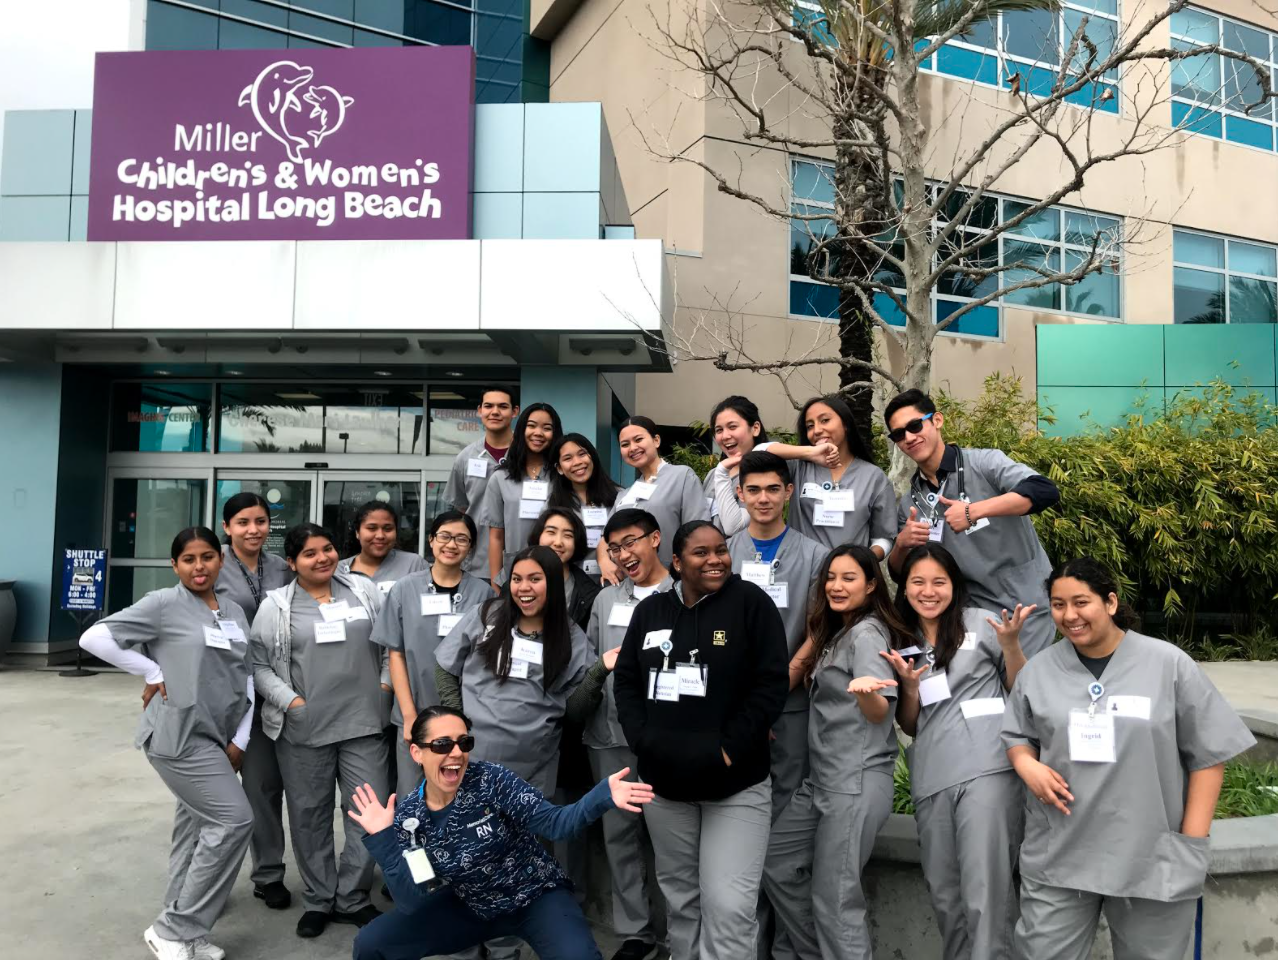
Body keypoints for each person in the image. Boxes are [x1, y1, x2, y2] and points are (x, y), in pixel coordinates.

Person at [1003, 557, 1256, 960]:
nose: (1070, 616)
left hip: (1152, 856)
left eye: (1081, 602)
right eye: (1058, 604)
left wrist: (1190, 841)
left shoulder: (1168, 664)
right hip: (1061, 853)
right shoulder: (1040, 671)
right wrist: (1025, 763)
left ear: (1111, 602)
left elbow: (1208, 755)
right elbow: (1017, 734)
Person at [349, 706, 655, 960]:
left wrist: (602, 795)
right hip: (467, 905)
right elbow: (413, 901)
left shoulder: (491, 780)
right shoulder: (410, 820)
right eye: (442, 744)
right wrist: (385, 839)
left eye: (463, 743)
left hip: (534, 896)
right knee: (371, 943)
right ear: (417, 753)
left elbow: (554, 823)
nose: (456, 753)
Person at [612, 521, 789, 960]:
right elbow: (628, 682)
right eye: (701, 553)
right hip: (665, 787)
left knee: (729, 906)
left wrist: (730, 748)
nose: (715, 560)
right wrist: (643, 740)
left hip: (736, 785)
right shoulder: (650, 611)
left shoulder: (751, 603)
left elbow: (770, 683)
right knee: (682, 900)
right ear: (676, 562)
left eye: (721, 551)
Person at [79, 527, 254, 960]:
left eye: (208, 557)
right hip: (178, 736)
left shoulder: (232, 610)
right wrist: (152, 672)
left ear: (221, 560)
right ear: (175, 565)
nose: (200, 567)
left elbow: (246, 677)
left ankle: (185, 928)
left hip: (217, 734)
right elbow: (94, 638)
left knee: (194, 826)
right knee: (233, 820)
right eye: (190, 559)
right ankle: (173, 929)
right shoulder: (162, 604)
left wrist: (241, 739)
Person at [881, 543, 1032, 960]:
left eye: (939, 582)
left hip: (988, 768)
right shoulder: (900, 639)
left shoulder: (982, 625)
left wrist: (1012, 646)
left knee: (987, 891)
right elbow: (909, 723)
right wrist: (909, 688)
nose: (929, 591)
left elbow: (1020, 692)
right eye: (918, 582)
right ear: (905, 588)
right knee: (945, 893)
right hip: (932, 775)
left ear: (954, 585)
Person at [763, 545, 909, 960]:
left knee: (836, 899)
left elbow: (881, 709)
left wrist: (867, 695)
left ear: (871, 584)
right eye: (831, 577)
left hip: (855, 780)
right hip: (821, 781)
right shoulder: (838, 630)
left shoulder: (867, 633)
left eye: (849, 578)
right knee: (777, 863)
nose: (837, 586)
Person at [250, 522, 390, 939]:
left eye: (328, 549)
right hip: (305, 729)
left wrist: (383, 686)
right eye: (310, 553)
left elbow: (391, 645)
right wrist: (291, 702)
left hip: (364, 724)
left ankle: (352, 897)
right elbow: (257, 666)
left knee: (368, 814)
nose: (322, 558)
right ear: (292, 562)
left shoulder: (364, 591)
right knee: (309, 817)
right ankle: (318, 898)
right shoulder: (276, 605)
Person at [885, 388, 1060, 657]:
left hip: (1024, 608)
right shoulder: (911, 501)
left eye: (915, 425)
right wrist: (901, 545)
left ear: (937, 421)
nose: (909, 437)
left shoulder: (984, 463)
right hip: (966, 617)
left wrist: (974, 511)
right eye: (899, 434)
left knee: (1022, 688)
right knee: (981, 695)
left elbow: (1044, 490)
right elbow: (900, 574)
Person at [433, 545, 604, 797]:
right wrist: (458, 720)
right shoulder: (486, 614)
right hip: (473, 758)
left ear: (554, 584)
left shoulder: (571, 637)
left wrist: (598, 673)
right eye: (516, 579)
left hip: (534, 769)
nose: (523, 588)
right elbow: (444, 666)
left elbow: (575, 711)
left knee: (525, 836)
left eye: (535, 579)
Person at [586, 509, 673, 960]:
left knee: (671, 838)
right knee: (619, 837)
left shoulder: (681, 593)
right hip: (612, 735)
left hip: (667, 738)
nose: (624, 555)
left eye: (631, 542)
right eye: (614, 548)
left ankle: (681, 933)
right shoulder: (606, 600)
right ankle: (635, 933)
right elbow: (591, 664)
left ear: (655, 538)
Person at [725, 450, 826, 818]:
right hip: (731, 701)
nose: (763, 499)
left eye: (772, 489)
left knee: (788, 792)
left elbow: (818, 631)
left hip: (790, 697)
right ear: (740, 494)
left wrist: (773, 692)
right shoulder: (722, 554)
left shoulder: (816, 555)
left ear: (788, 492)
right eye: (753, 490)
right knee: (735, 795)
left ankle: (779, 876)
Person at [373, 510, 491, 799]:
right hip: (415, 712)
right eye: (445, 536)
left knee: (461, 795)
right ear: (431, 540)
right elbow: (395, 654)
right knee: (413, 796)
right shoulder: (404, 589)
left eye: (461, 539)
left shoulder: (483, 594)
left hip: (465, 717)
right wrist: (410, 714)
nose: (452, 545)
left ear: (471, 547)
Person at [215, 492, 296, 910]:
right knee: (258, 787)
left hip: (279, 686)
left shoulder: (282, 568)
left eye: (261, 521)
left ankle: (270, 868)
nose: (253, 530)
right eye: (243, 522)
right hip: (233, 691)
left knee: (278, 783)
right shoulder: (214, 566)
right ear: (227, 527)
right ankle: (268, 873)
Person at [704, 395, 840, 538]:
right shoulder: (712, 475)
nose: (725, 436)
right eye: (719, 430)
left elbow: (734, 526)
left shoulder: (766, 471)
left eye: (732, 427)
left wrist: (811, 452)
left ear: (755, 428)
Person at [788, 396, 896, 559]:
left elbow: (884, 537)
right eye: (810, 426)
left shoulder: (873, 477)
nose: (816, 430)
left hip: (849, 579)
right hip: (803, 574)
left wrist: (863, 563)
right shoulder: (797, 468)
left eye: (824, 420)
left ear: (845, 424)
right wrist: (809, 453)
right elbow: (760, 452)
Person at [482, 403, 564, 586]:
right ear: (521, 429)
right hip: (515, 575)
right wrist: (496, 582)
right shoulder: (500, 478)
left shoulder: (562, 476)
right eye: (532, 425)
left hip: (557, 572)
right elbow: (496, 536)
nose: (538, 433)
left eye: (547, 428)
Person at [613, 416, 710, 572]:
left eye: (638, 439)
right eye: (625, 444)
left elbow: (698, 531)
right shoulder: (623, 495)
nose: (632, 448)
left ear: (656, 440)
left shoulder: (682, 476)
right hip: (631, 581)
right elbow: (608, 538)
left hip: (672, 578)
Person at [444, 387, 519, 579]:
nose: (495, 412)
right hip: (478, 564)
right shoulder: (465, 458)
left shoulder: (528, 456)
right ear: (479, 411)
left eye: (503, 406)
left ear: (515, 411)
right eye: (488, 406)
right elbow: (461, 509)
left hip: (525, 561)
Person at [547, 432, 621, 581]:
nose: (577, 462)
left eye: (582, 454)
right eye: (568, 458)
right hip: (571, 582)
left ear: (592, 456)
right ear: (559, 468)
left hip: (615, 579)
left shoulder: (620, 496)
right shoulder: (553, 504)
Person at [529, 506, 602, 632]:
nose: (558, 542)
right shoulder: (514, 583)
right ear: (538, 536)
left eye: (568, 535)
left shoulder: (589, 594)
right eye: (551, 532)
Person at [337, 500, 427, 595]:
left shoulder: (413, 565)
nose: (380, 536)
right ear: (357, 533)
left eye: (388, 529)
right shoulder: (338, 570)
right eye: (372, 528)